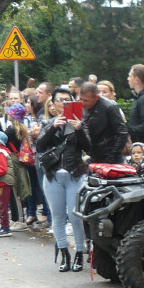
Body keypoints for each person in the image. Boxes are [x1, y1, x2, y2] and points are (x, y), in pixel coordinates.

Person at [36, 86, 92, 271]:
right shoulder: (49, 123)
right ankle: (64, 254)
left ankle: (79, 254)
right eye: (60, 100)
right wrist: (53, 127)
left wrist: (79, 130)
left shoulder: (79, 123)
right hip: (53, 176)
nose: (63, 104)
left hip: (74, 175)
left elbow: (89, 148)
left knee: (75, 217)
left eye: (67, 101)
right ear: (53, 103)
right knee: (58, 217)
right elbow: (40, 146)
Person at [81, 81, 130, 164]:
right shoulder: (86, 108)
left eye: (86, 100)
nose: (83, 103)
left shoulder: (109, 107)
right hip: (95, 154)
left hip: (110, 155)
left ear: (96, 98)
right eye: (81, 99)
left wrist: (112, 157)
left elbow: (122, 133)